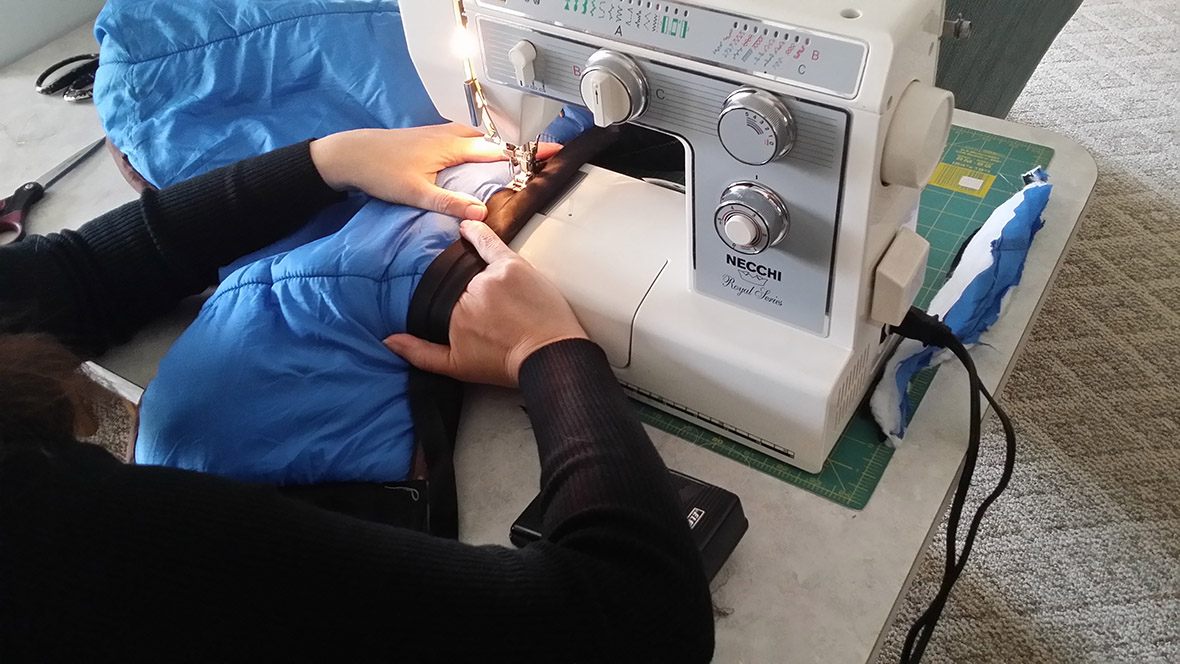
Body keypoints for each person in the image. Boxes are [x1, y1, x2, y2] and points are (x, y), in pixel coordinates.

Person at [0, 124, 715, 662]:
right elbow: (634, 617)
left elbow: (81, 274)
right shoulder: (58, 548)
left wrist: (330, 159)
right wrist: (551, 352)